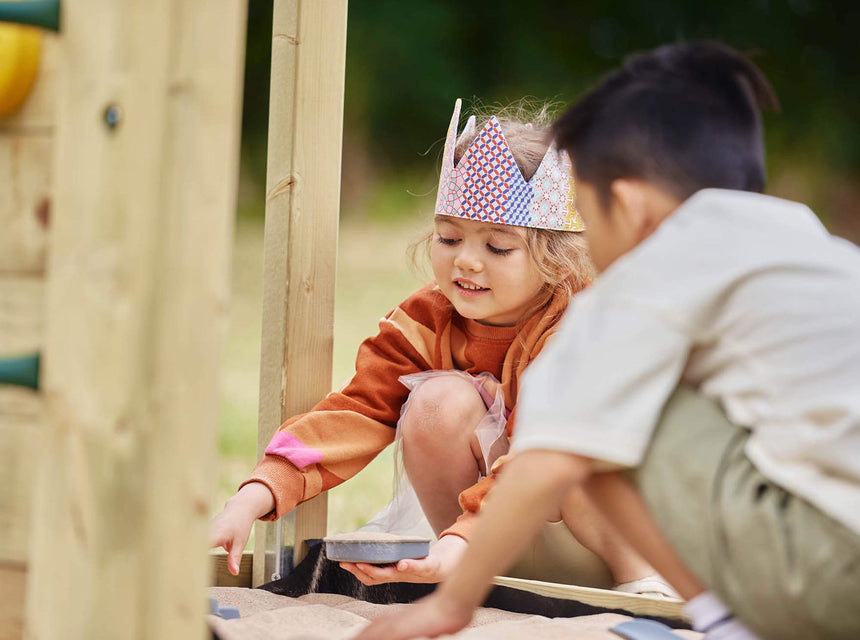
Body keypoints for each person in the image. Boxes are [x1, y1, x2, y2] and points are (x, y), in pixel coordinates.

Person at [354, 42, 860, 640]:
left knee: (597, 417)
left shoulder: (644, 280)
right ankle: (715, 613)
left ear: (625, 202)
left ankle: (696, 606)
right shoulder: (813, 245)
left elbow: (551, 457)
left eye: (587, 222)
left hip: (814, 571)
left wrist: (450, 605)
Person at [210, 99, 675, 597]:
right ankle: (481, 578)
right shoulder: (427, 319)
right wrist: (256, 494)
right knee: (433, 404)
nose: (467, 262)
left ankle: (647, 589)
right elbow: (359, 409)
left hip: (619, 540)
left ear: (557, 258)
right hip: (491, 539)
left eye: (498, 247)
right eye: (449, 238)